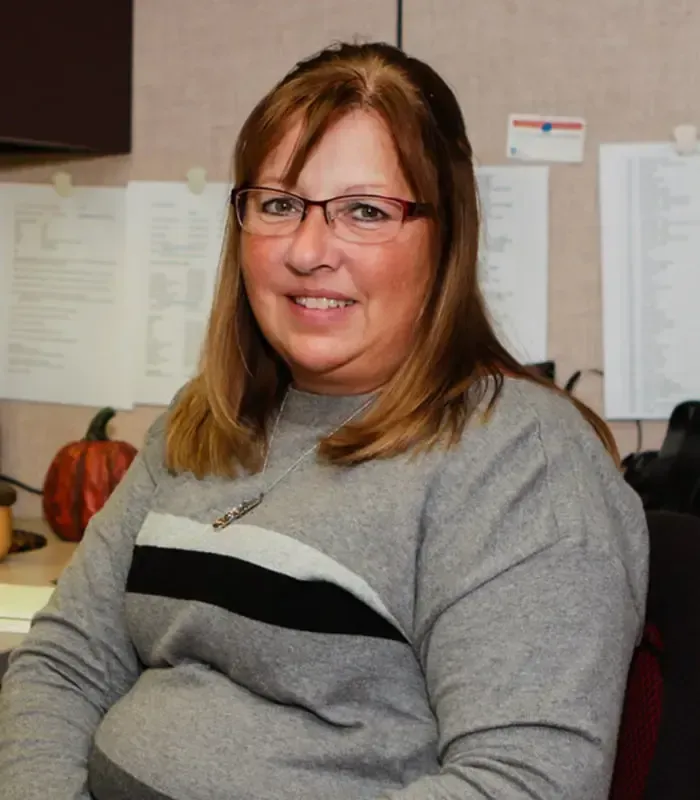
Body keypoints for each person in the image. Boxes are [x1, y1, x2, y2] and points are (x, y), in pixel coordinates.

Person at [0, 41, 648, 800]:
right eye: (278, 204)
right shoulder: (203, 421)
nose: (308, 251)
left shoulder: (518, 458)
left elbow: (525, 783)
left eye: (365, 211)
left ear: (446, 239)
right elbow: (65, 663)